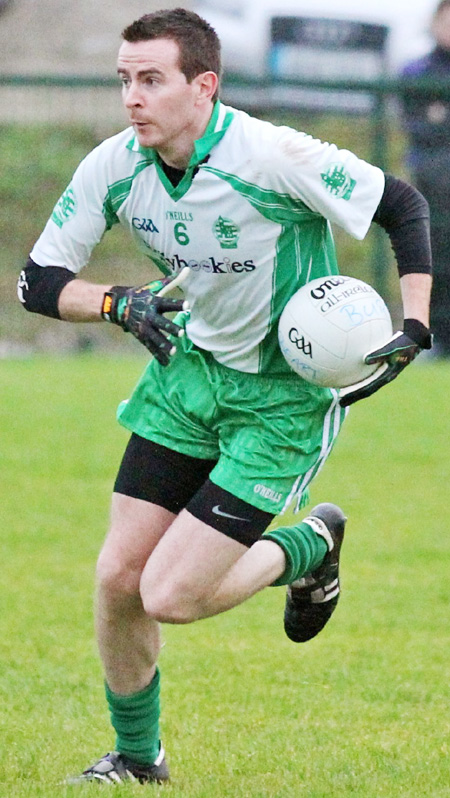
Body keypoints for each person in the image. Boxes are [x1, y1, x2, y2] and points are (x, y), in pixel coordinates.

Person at [18, 7, 432, 785]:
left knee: (169, 595)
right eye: (123, 81)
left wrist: (413, 320)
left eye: (150, 80)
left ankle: (308, 545)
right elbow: (37, 282)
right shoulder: (116, 165)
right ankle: (139, 761)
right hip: (187, 376)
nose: (131, 99)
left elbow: (401, 204)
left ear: (203, 86)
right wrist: (116, 302)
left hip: (279, 403)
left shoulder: (271, 155)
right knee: (117, 581)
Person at [402, 0, 450, 356]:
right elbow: (422, 126)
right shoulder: (418, 71)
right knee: (433, 258)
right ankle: (433, 338)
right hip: (433, 186)